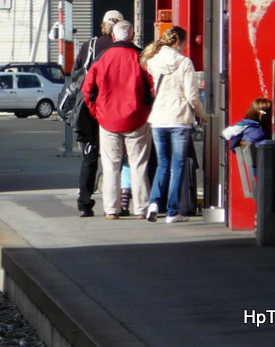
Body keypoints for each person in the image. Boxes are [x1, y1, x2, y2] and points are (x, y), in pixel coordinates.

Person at [82, 19, 154, 220]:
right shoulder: (141, 58)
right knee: (139, 165)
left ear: (113, 36)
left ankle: (111, 209)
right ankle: (142, 208)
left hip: (108, 120)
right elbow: (153, 88)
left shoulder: (102, 59)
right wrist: (147, 111)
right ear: (132, 36)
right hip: (137, 119)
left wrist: (97, 113)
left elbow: (88, 90)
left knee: (110, 166)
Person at [141, 26, 205, 224]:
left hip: (158, 118)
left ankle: (153, 202)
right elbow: (192, 96)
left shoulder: (152, 61)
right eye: (185, 42)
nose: (186, 47)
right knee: (177, 165)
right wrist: (202, 114)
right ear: (178, 42)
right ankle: (172, 211)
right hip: (179, 118)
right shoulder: (185, 63)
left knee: (163, 164)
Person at [71, 10, 124, 218]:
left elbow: (76, 75)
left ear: (103, 25)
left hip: (90, 109)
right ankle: (120, 203)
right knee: (119, 159)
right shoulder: (128, 49)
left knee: (89, 158)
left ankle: (85, 203)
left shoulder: (89, 46)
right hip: (118, 109)